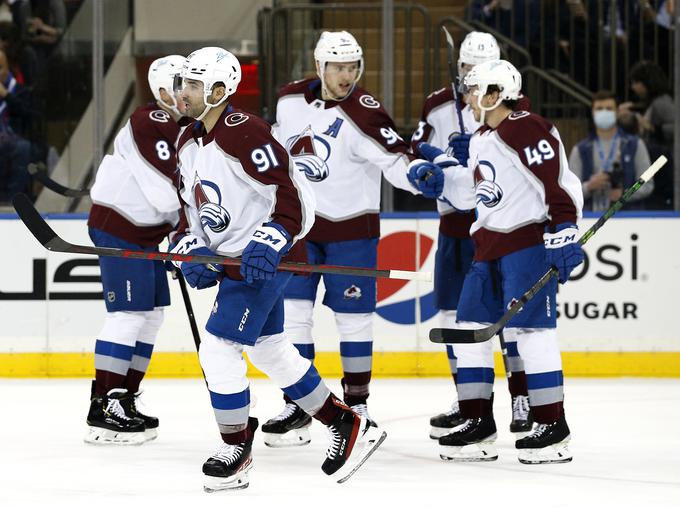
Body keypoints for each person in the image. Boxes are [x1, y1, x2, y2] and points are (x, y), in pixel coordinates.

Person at [171, 46, 385, 491]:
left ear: (217, 90)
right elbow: (188, 209)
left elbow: (293, 194)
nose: (183, 92)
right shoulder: (187, 140)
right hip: (234, 261)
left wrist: (273, 238)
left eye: (192, 84)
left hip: (266, 261)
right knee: (269, 348)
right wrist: (191, 248)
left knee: (218, 348)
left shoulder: (244, 131)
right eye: (183, 83)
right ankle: (345, 423)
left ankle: (236, 448)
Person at [413, 59, 583, 464]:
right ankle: (477, 423)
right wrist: (446, 176)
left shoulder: (524, 126)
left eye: (474, 91)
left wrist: (564, 230)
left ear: (494, 94)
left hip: (525, 246)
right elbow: (479, 195)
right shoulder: (483, 136)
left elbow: (557, 182)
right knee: (468, 327)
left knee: (531, 333)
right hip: (486, 246)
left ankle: (551, 425)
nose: (468, 98)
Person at [260, 30, 419, 447]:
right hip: (299, 230)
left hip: (353, 230)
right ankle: (300, 405)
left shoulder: (365, 111)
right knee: (293, 317)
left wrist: (421, 175)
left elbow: (396, 158)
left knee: (353, 319)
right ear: (320, 66)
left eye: (352, 68)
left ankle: (358, 404)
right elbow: (276, 147)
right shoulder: (289, 100)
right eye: (338, 67)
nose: (346, 76)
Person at [412, 31, 533, 440]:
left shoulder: (516, 110)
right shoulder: (436, 104)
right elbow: (416, 150)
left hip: (501, 228)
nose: (474, 77)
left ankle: (523, 397)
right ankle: (467, 399)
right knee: (454, 317)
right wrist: (442, 158)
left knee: (511, 320)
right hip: (454, 225)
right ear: (458, 68)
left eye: (482, 70)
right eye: (467, 69)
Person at [84, 55, 186, 445]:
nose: (189, 92)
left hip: (145, 236)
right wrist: (186, 225)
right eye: (181, 85)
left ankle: (123, 398)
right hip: (121, 231)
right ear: (163, 91)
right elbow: (165, 188)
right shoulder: (153, 121)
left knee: (151, 316)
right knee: (128, 315)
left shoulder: (181, 127)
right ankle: (103, 405)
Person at [569, 90, 653, 211]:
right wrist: (589, 186)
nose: (604, 112)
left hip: (629, 218)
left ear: (617, 112)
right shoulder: (580, 150)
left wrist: (625, 195)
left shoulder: (635, 145)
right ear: (592, 112)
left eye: (609, 109)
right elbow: (569, 192)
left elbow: (647, 184)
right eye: (599, 109)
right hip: (591, 218)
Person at [619, 61, 674, 208]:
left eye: (636, 82)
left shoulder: (662, 102)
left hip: (662, 163)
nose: (634, 87)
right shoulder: (654, 103)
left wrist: (652, 127)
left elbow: (675, 128)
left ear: (647, 82)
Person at [0, 46, 31, 202]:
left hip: (14, 139)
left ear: (8, 68)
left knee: (23, 148)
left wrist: (6, 95)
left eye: (0, 68)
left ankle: (13, 201)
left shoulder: (19, 90)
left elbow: (28, 114)